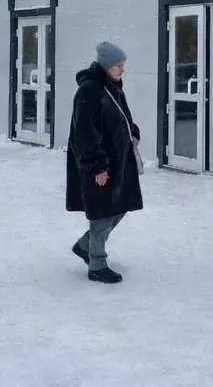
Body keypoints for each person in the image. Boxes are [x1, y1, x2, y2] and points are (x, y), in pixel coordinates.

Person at [66, 42, 143, 284]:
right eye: (119, 66)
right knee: (102, 213)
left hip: (119, 162)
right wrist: (97, 166)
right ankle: (97, 264)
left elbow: (122, 115)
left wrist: (133, 131)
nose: (122, 70)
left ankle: (84, 245)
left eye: (123, 65)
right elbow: (85, 134)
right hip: (101, 165)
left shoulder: (112, 86)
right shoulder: (90, 91)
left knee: (119, 207)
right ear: (107, 65)